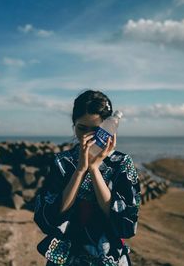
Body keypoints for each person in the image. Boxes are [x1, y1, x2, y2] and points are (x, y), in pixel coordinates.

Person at [34, 90, 141, 266]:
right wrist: (80, 169)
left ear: (109, 128)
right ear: (73, 125)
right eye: (81, 128)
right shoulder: (62, 162)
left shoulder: (121, 163)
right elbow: (50, 217)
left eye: (96, 130)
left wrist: (94, 169)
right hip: (65, 258)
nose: (87, 137)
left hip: (108, 259)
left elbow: (126, 223)